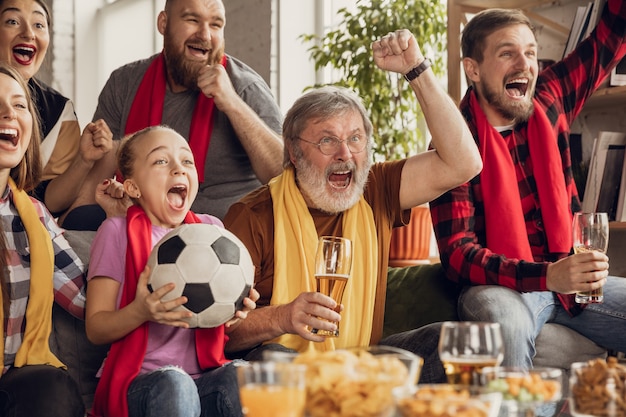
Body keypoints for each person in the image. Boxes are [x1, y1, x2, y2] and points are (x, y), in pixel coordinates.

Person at [222, 29, 482, 382]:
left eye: (355, 139)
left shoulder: (376, 189)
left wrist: (416, 70)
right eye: (327, 140)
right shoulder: (251, 216)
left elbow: (464, 163)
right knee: (276, 358)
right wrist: (282, 317)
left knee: (449, 343)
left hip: (360, 367)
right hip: (289, 377)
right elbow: (220, 331)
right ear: (294, 151)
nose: (345, 154)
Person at [429, 0, 626, 369]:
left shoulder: (550, 98)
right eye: (507, 54)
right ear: (472, 69)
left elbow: (610, 37)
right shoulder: (452, 146)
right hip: (501, 287)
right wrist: (548, 275)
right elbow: (457, 254)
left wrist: (562, 276)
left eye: (530, 53)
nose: (524, 65)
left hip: (570, 284)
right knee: (505, 323)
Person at [60, 0, 284, 230]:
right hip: (141, 230)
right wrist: (65, 229)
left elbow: (283, 175)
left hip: (222, 242)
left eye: (215, 25)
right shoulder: (124, 83)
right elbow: (99, 175)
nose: (205, 34)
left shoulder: (246, 88)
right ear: (163, 23)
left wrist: (232, 103)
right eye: (192, 20)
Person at [85, 125, 260, 417]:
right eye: (161, 161)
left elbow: (218, 315)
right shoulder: (115, 232)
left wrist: (235, 311)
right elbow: (95, 328)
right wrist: (140, 311)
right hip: (142, 382)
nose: (179, 169)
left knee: (242, 376)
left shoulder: (211, 230)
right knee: (176, 384)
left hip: (203, 377)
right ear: (132, 187)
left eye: (187, 161)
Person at [0, 63, 86, 417]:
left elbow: (86, 299)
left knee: (54, 392)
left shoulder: (33, 214)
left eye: (19, 105)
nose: (9, 114)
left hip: (15, 381)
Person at [0, 0, 113, 217]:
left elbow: (48, 201)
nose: (28, 33)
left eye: (39, 25)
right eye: (13, 21)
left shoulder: (60, 112)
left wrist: (84, 159)